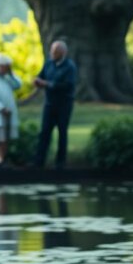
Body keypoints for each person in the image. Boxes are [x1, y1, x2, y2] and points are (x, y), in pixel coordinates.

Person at [32, 40, 78, 169]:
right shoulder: (48, 64)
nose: (52, 54)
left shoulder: (70, 67)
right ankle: (38, 162)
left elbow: (69, 85)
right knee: (44, 132)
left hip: (64, 105)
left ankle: (60, 162)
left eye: (55, 52)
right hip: (49, 104)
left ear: (63, 52)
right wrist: (37, 81)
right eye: (52, 51)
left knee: (62, 132)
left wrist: (48, 84)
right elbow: (41, 76)